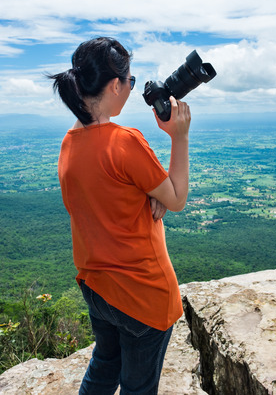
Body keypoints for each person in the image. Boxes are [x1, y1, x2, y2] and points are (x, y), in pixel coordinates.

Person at [49, 37, 191, 395]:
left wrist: (146, 193)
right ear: (115, 86)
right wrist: (179, 136)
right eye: (130, 81)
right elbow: (175, 199)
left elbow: (103, 192)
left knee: (104, 365)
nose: (132, 86)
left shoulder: (70, 141)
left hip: (97, 287)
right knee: (137, 387)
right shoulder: (125, 141)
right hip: (142, 296)